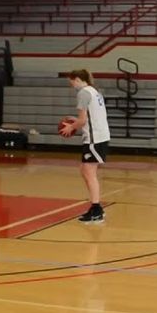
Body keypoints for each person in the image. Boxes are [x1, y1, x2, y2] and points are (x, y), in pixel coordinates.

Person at [62, 69, 110, 224]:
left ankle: (96, 209)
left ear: (77, 79)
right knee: (85, 170)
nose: (72, 86)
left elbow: (82, 121)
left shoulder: (83, 93)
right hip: (99, 136)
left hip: (94, 138)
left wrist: (71, 127)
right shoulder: (94, 91)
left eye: (71, 82)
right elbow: (89, 116)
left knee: (89, 173)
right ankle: (95, 208)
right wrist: (75, 120)